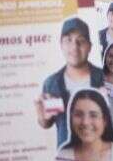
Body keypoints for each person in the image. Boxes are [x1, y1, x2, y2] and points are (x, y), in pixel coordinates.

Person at [38, 18, 105, 148]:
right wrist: (43, 118)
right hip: (67, 157)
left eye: (81, 40)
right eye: (68, 40)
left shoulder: (103, 78)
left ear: (90, 46)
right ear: (61, 45)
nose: (74, 46)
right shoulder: (52, 83)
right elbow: (47, 122)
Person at [56, 89, 113, 161]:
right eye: (78, 114)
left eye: (93, 115)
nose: (85, 122)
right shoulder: (63, 156)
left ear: (105, 120)